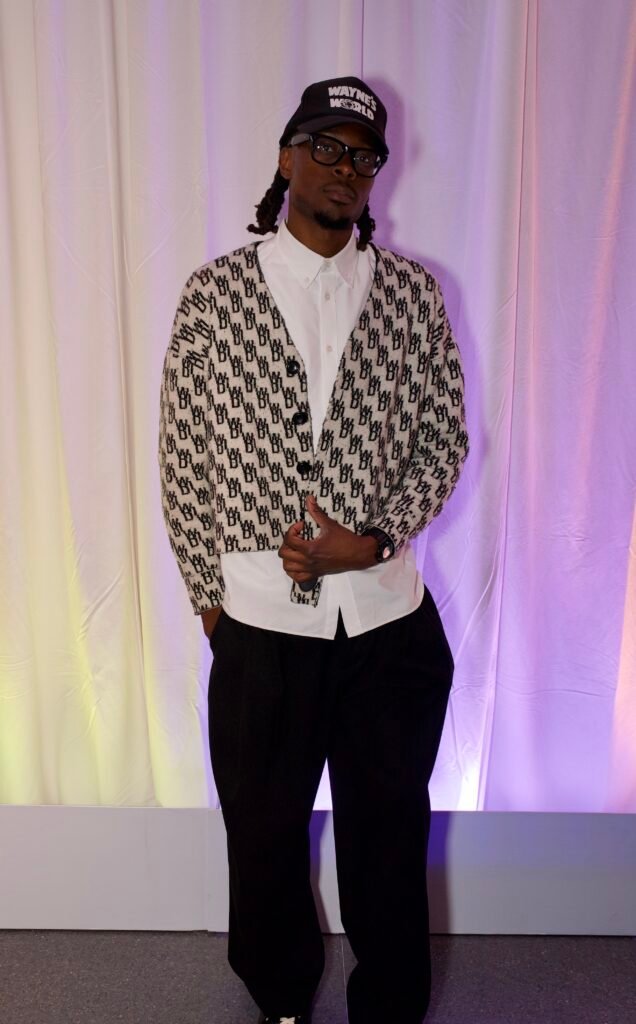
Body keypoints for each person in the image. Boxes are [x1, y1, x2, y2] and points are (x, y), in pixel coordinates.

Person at [159, 76, 469, 1024]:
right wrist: (214, 600)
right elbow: (183, 452)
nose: (346, 170)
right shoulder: (215, 294)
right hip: (258, 627)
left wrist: (366, 541)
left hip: (386, 625)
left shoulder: (413, 295)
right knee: (262, 836)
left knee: (387, 838)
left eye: (364, 156)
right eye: (328, 149)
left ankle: (389, 1007)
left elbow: (445, 439)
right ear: (289, 157)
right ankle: (282, 999)